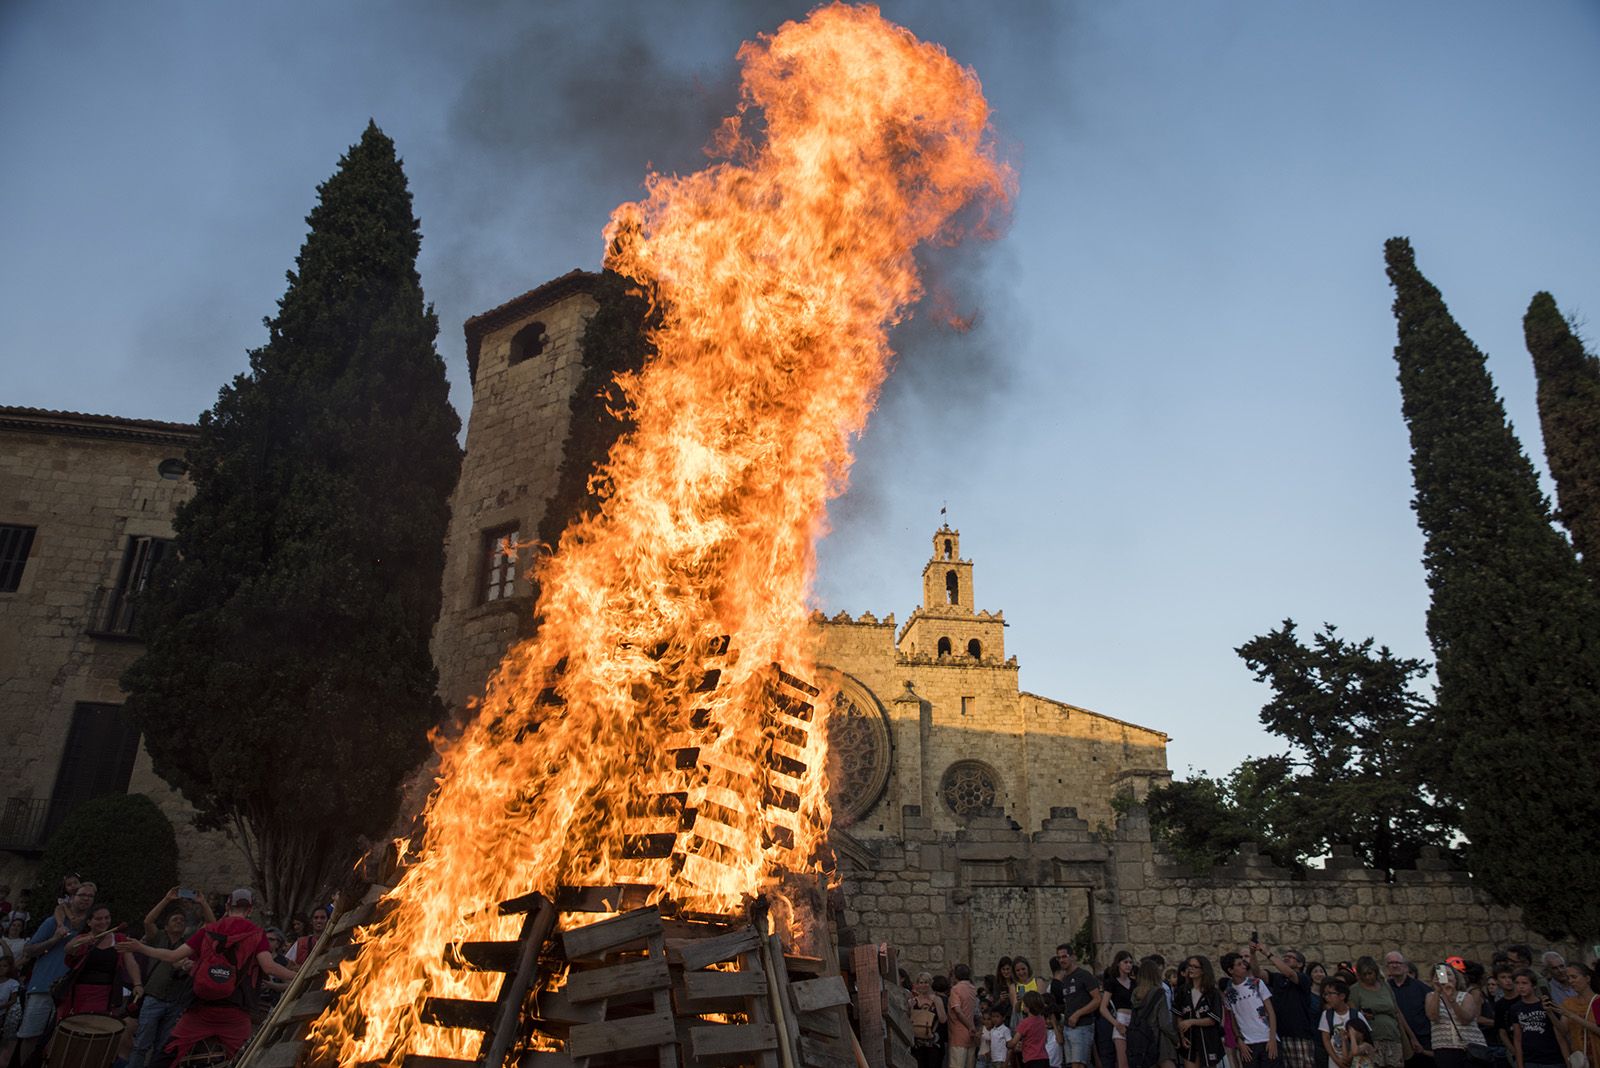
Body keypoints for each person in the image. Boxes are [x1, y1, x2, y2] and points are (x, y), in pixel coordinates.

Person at [121, 888, 297, 1067]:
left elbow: (173, 956)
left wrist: (141, 948)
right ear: (250, 910)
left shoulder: (209, 930)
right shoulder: (257, 934)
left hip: (201, 1009)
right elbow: (269, 966)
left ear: (228, 906)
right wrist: (298, 975)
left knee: (168, 1053)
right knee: (246, 1058)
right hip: (235, 1012)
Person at [127, 888, 215, 1068]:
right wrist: (166, 900)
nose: (179, 921)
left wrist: (203, 903)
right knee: (141, 1044)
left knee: (163, 1047)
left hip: (176, 1000)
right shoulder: (158, 937)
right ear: (166, 926)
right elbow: (148, 920)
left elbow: (212, 925)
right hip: (154, 997)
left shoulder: (189, 942)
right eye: (175, 919)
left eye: (182, 920)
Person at [14, 880, 96, 1066]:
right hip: (44, 986)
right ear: (73, 897)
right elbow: (29, 950)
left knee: (60, 1039)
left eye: (90, 896)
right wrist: (54, 939)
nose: (86, 899)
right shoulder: (54, 921)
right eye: (82, 895)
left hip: (71, 992)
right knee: (30, 1035)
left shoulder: (92, 927)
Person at [58, 904, 141, 1016]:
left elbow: (131, 963)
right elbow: (68, 949)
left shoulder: (119, 939)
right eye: (98, 919)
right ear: (89, 922)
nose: (104, 922)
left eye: (107, 918)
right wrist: (83, 941)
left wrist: (137, 984)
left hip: (108, 993)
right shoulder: (82, 938)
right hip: (81, 992)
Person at [1256, 943, 1317, 1068]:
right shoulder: (1278, 978)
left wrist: (1268, 953)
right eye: (1285, 956)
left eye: (1291, 957)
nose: (1286, 958)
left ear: (1300, 964)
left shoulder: (1304, 979)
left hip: (1299, 1035)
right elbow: (1257, 973)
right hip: (1281, 1035)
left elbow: (1290, 974)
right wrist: (1252, 953)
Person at [1221, 951, 1278, 1068]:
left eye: (1243, 963)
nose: (1244, 966)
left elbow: (1271, 1012)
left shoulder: (1257, 983)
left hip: (1266, 1038)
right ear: (1231, 971)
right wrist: (1239, 1041)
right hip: (1248, 1043)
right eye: (1239, 964)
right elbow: (1233, 1019)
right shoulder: (1228, 992)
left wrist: (1272, 1038)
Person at [1424, 960, 1483, 1068]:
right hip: (1444, 1048)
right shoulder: (1431, 996)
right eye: (1440, 975)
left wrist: (1451, 999)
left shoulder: (1466, 996)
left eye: (1449, 974)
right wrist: (1438, 992)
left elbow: (1466, 1019)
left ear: (1456, 978)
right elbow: (1433, 1016)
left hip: (1470, 1048)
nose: (1445, 978)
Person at [1508, 968, 1568, 1068]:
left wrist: (1568, 1062)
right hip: (1530, 1060)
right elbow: (1517, 1039)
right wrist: (1520, 1064)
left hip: (1552, 1060)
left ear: (1534, 985)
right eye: (1517, 983)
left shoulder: (1546, 1004)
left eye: (1524, 983)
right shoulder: (1515, 1008)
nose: (1521, 986)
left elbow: (1561, 1035)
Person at [1055, 944, 1102, 1068]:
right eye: (1059, 958)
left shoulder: (1084, 975)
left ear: (1072, 957)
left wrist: (1078, 1013)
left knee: (1079, 1064)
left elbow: (1097, 1000)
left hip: (1082, 1026)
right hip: (1068, 1027)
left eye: (1064, 956)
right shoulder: (1064, 979)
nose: (1061, 960)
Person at [1128, 958, 1179, 1068]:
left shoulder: (1135, 993)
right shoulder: (1158, 993)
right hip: (1159, 1039)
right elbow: (1164, 1023)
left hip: (1141, 1039)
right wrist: (1176, 1039)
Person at [1176, 955, 1224, 1068]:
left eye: (1195, 966)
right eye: (1189, 966)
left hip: (1208, 1040)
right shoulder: (1183, 991)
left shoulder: (1212, 993)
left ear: (1203, 970)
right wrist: (1182, 1036)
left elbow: (1214, 1019)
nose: (1190, 969)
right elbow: (1178, 1015)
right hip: (1190, 1040)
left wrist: (1191, 1022)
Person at [1385, 953, 1431, 1068]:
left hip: (1422, 1039)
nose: (1395, 966)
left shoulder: (1421, 988)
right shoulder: (1385, 989)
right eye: (1391, 963)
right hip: (1398, 1040)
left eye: (1398, 963)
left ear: (1405, 966)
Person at [1549, 962, 1598, 1068]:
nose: (1570, 981)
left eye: (1574, 977)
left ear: (1587, 978)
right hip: (1581, 1059)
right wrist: (1550, 1013)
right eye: (1568, 978)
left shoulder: (1597, 1001)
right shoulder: (1568, 1003)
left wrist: (1573, 1016)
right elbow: (1563, 1030)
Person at [1318, 979, 1374, 1068]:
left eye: (1330, 994)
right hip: (1335, 1059)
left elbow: (1366, 1035)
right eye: (1325, 994)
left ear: (1342, 996)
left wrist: (1349, 1057)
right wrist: (1336, 1059)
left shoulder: (1356, 1015)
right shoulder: (1327, 1015)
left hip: (1355, 1060)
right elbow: (1326, 1039)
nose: (1327, 997)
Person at [1103, 952, 1138, 1068]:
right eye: (1125, 962)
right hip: (1120, 1019)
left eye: (1130, 962)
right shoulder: (1112, 982)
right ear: (1118, 964)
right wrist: (1116, 1024)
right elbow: (1103, 1008)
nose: (1128, 965)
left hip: (1134, 1020)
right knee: (1123, 1062)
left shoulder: (1135, 983)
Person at [912, 971, 950, 1068]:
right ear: (917, 984)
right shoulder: (912, 1001)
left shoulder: (937, 999)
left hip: (934, 1043)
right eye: (921, 982)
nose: (924, 985)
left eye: (926, 982)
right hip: (918, 1043)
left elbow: (943, 1019)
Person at [950, 964, 982, 1068]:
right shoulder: (972, 989)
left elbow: (958, 1011)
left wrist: (969, 1026)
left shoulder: (955, 989)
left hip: (958, 1035)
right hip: (971, 1037)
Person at [1012, 991, 1052, 1068]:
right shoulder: (1042, 1020)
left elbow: (1013, 1042)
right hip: (1044, 1058)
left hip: (1031, 1059)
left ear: (1028, 1007)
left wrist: (1008, 1044)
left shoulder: (1025, 1023)